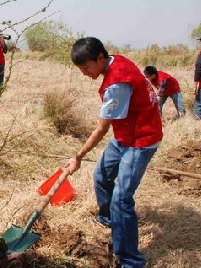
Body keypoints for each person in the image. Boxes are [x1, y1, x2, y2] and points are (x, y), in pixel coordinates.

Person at [66, 37, 163, 268]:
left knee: (122, 198)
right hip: (124, 136)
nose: (84, 73)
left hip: (141, 139)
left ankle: (130, 260)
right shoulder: (115, 60)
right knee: (101, 176)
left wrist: (78, 157)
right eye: (80, 69)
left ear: (101, 58)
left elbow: (101, 128)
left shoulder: (117, 84)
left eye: (86, 67)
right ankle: (110, 220)